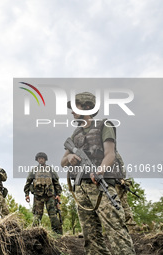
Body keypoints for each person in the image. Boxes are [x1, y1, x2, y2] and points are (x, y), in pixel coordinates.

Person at [60, 92, 135, 254]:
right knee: (91, 236)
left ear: (87, 107)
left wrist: (99, 171)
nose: (72, 111)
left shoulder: (104, 125)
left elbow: (110, 154)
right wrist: (71, 156)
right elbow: (62, 162)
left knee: (116, 231)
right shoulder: (76, 134)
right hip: (81, 189)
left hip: (101, 185)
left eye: (75, 107)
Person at [24, 152, 63, 234]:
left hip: (50, 196)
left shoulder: (50, 170)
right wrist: (26, 195)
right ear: (37, 160)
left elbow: (56, 183)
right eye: (39, 158)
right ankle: (33, 234)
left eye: (42, 158)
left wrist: (58, 195)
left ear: (45, 159)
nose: (41, 159)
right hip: (38, 196)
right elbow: (28, 183)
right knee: (37, 216)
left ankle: (58, 235)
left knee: (53, 216)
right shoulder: (34, 170)